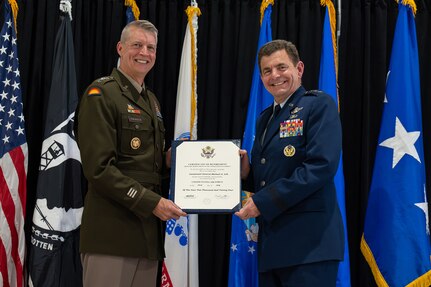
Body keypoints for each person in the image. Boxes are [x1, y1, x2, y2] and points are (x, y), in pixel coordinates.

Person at [75, 20, 186, 287]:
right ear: (120, 48)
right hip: (111, 235)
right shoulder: (101, 93)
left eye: (151, 47)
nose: (144, 53)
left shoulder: (151, 100)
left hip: (146, 235)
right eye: (137, 45)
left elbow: (148, 164)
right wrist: (152, 203)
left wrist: (174, 161)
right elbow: (98, 169)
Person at [236, 40, 344, 286]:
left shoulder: (318, 105)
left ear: (299, 69)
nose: (274, 76)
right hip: (273, 246)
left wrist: (261, 202)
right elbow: (270, 176)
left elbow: (320, 167)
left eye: (281, 67)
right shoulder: (266, 118)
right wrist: (247, 173)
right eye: (266, 71)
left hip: (309, 247)